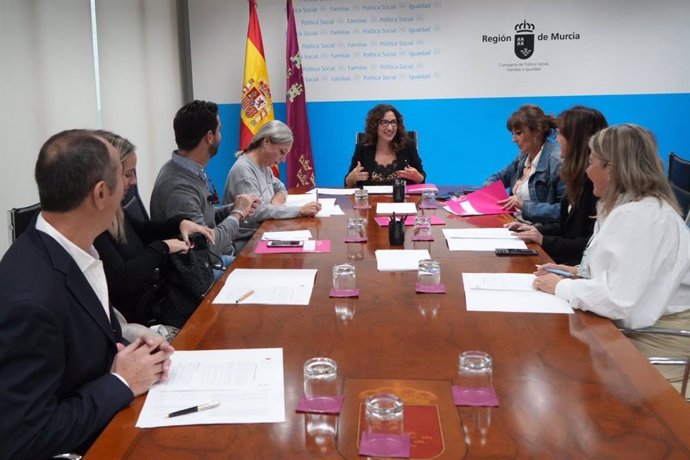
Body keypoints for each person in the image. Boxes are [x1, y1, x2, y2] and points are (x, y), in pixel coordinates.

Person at [0, 130, 174, 459]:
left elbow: (83, 346)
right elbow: (24, 437)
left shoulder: (76, 251)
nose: (128, 187)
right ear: (100, 193)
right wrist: (121, 382)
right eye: (122, 179)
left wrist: (136, 354)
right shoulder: (31, 299)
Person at [533, 124, 690, 387]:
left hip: (650, 341)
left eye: (591, 161)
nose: (586, 169)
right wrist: (576, 272)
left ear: (612, 168)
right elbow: (626, 277)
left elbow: (621, 303)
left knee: (558, 372)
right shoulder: (626, 208)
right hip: (634, 329)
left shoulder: (641, 218)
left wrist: (562, 286)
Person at [94, 131, 215, 326]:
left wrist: (179, 223)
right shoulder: (94, 227)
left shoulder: (115, 211)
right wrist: (164, 247)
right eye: (128, 174)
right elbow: (122, 280)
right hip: (141, 316)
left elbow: (142, 230)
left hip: (155, 297)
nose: (134, 181)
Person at [150, 100, 259, 258]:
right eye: (219, 131)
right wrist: (238, 213)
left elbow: (205, 215)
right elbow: (207, 246)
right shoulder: (178, 187)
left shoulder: (190, 170)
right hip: (203, 268)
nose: (220, 136)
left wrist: (233, 208)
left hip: (216, 257)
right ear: (209, 137)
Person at [507, 106, 608, 265]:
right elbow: (565, 225)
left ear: (576, 139)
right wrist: (534, 231)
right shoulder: (575, 176)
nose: (556, 139)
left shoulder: (594, 184)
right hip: (565, 260)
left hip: (573, 265)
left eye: (560, 134)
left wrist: (543, 239)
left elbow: (589, 243)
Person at [222, 120, 321, 240]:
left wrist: (275, 205)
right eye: (282, 152)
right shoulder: (244, 171)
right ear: (266, 142)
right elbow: (256, 212)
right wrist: (299, 210)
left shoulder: (264, 166)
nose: (283, 160)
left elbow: (281, 188)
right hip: (246, 242)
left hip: (264, 232)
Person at [486, 104, 564, 223]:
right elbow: (498, 178)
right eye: (512, 134)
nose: (514, 139)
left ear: (537, 132)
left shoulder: (557, 161)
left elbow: (564, 211)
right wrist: (489, 188)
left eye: (518, 133)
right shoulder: (523, 156)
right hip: (514, 223)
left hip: (539, 232)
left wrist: (524, 205)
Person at [344, 104, 426, 187]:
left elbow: (422, 177)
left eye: (394, 122)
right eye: (385, 122)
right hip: (370, 199)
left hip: (401, 199)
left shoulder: (408, 146)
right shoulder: (363, 148)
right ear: (375, 125)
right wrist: (351, 179)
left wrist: (417, 177)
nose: (390, 128)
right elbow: (348, 181)